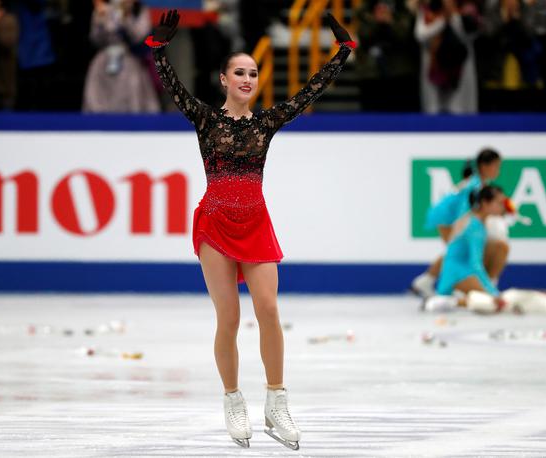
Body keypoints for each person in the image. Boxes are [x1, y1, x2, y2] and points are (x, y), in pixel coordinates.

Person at [146, 10, 354, 450]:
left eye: (253, 73)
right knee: (230, 318)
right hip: (215, 222)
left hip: (255, 221)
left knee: (269, 310)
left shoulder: (265, 123)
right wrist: (158, 50)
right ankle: (232, 399)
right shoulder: (205, 120)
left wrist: (343, 53)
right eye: (238, 72)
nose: (247, 78)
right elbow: (174, 89)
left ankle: (276, 400)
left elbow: (307, 92)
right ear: (223, 79)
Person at [425, 185, 546, 314]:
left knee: (494, 300)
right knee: (493, 303)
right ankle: (445, 302)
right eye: (499, 203)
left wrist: (491, 291)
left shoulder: (477, 221)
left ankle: (455, 300)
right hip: (457, 274)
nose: (503, 207)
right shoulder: (475, 227)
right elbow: (475, 264)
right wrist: (493, 292)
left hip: (460, 270)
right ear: (485, 203)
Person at [411, 148, 502, 302]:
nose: (498, 171)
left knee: (456, 249)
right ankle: (427, 282)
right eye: (496, 166)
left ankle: (427, 281)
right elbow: (463, 213)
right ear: (485, 166)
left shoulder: (478, 182)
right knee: (456, 248)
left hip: (445, 215)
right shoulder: (475, 185)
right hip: (445, 216)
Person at [83, 0, 159, 113]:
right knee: (97, 102)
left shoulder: (140, 10)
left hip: (130, 63)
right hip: (104, 62)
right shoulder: (104, 8)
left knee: (132, 100)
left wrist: (127, 18)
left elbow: (140, 38)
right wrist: (100, 20)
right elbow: (95, 40)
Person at [413, 0, 479, 113]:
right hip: (434, 67)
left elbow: (471, 35)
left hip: (458, 69)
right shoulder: (428, 12)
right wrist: (443, 21)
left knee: (458, 108)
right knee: (433, 108)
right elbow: (420, 35)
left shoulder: (465, 11)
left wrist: (454, 18)